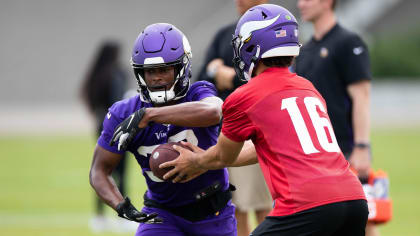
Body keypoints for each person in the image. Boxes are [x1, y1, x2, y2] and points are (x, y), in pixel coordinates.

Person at [160, 4, 368, 236]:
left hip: (306, 204)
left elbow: (223, 155)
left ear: (250, 47)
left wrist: (197, 161)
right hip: (353, 200)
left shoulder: (244, 96)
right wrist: (204, 159)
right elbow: (262, 148)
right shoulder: (307, 87)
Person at [89, 23, 237, 236]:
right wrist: (121, 205)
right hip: (161, 214)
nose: (156, 77)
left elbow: (213, 111)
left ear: (181, 68)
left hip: (212, 211)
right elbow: (99, 170)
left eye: (164, 70)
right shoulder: (124, 113)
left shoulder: (198, 93)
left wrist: (149, 115)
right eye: (149, 72)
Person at [294, 0, 376, 235]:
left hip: (346, 150)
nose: (301, 3)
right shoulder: (306, 50)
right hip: (314, 155)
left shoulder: (348, 42)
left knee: (365, 218)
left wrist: (361, 147)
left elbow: (362, 97)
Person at [196, 0, 271, 234]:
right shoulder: (224, 35)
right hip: (228, 131)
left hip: (261, 129)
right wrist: (214, 72)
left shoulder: (271, 32)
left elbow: (271, 80)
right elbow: (202, 79)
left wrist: (230, 76)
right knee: (234, 207)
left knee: (264, 208)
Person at [81, 41, 129, 232]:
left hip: (101, 126)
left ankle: (99, 217)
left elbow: (90, 100)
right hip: (118, 127)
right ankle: (123, 216)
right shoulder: (116, 73)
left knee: (100, 170)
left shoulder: (96, 75)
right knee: (121, 173)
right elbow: (119, 101)